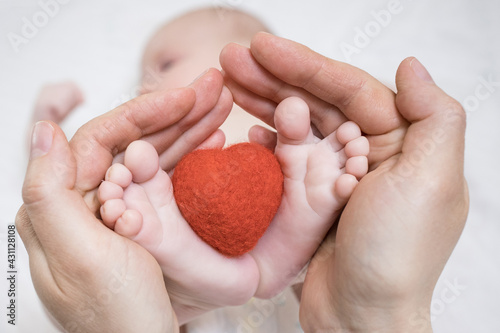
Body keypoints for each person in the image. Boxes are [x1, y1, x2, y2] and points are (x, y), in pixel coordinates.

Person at [17, 32, 468, 333]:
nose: (146, 85)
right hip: (181, 279)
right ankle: (192, 262)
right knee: (107, 217)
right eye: (153, 69)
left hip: (277, 262)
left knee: (268, 190)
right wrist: (50, 119)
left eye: (167, 60)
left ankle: (289, 237)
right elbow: (61, 196)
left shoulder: (262, 148)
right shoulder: (141, 165)